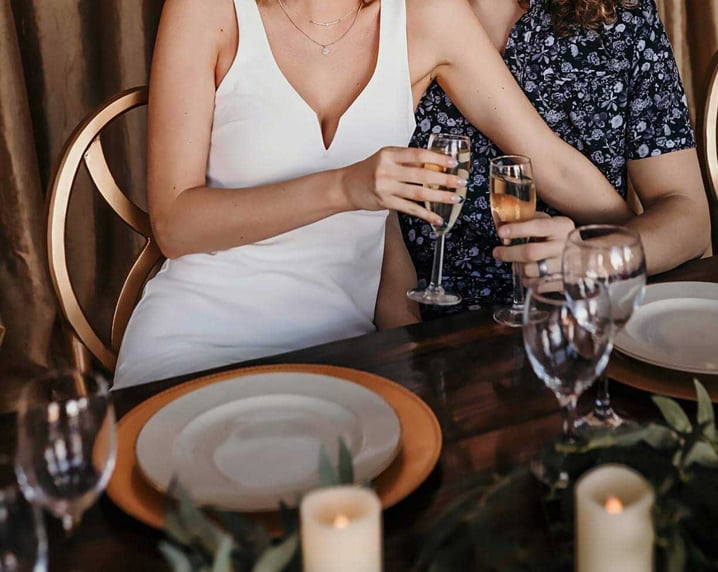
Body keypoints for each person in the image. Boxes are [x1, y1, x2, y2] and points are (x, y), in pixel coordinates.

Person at [114, 0, 633, 388]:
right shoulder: (208, 10)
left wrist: (633, 245)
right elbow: (175, 225)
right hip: (195, 339)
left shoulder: (428, 16)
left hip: (344, 351)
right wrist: (346, 186)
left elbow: (551, 163)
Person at [401, 0, 710, 317]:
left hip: (587, 311)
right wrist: (401, 334)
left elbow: (688, 219)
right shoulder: (396, 20)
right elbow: (379, 215)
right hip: (437, 321)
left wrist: (591, 257)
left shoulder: (625, 15)